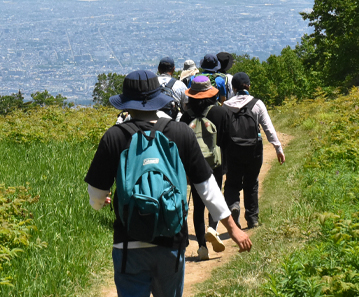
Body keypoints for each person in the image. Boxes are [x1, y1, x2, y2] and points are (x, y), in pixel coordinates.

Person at [85, 70, 251, 297]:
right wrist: (233, 229)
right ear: (158, 98)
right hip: (171, 241)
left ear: (126, 103)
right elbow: (207, 187)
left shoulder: (114, 136)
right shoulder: (180, 132)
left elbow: (96, 196)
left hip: (128, 244)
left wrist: (100, 201)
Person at [220, 72, 285, 229]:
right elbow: (268, 128)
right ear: (248, 86)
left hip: (232, 149)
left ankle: (233, 205)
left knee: (232, 182)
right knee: (251, 183)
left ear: (233, 88)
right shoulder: (257, 104)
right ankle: (252, 218)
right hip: (254, 150)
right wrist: (278, 147)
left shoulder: (226, 106)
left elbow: (222, 131)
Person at [179, 76, 228, 261]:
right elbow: (226, 139)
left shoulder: (186, 116)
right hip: (215, 164)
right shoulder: (220, 113)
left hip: (194, 165)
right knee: (215, 198)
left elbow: (182, 143)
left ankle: (202, 247)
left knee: (198, 207)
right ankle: (213, 229)